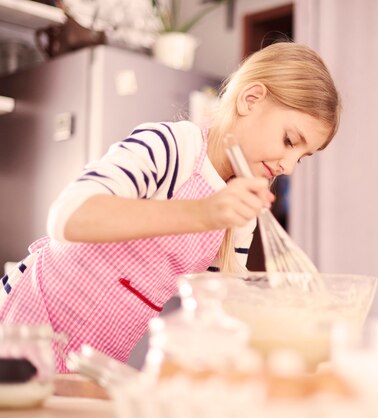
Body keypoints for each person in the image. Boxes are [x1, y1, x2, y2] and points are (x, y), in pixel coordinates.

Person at [0, 42, 341, 372]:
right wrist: (204, 213)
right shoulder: (173, 148)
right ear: (250, 100)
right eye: (289, 141)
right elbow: (67, 218)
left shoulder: (240, 214)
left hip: (94, 358)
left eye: (302, 155)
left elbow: (217, 307)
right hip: (27, 322)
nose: (289, 166)